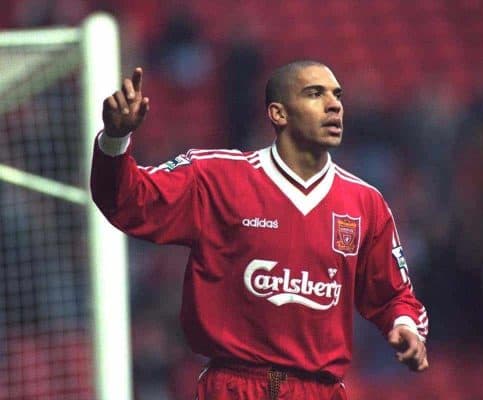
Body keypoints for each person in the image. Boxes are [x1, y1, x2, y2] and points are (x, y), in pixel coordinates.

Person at [91, 61, 429, 400]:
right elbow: (129, 202)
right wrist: (116, 139)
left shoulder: (365, 203)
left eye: (337, 95)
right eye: (315, 94)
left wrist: (405, 326)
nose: (334, 104)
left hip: (320, 391)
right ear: (278, 114)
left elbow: (394, 295)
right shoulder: (215, 177)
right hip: (234, 386)